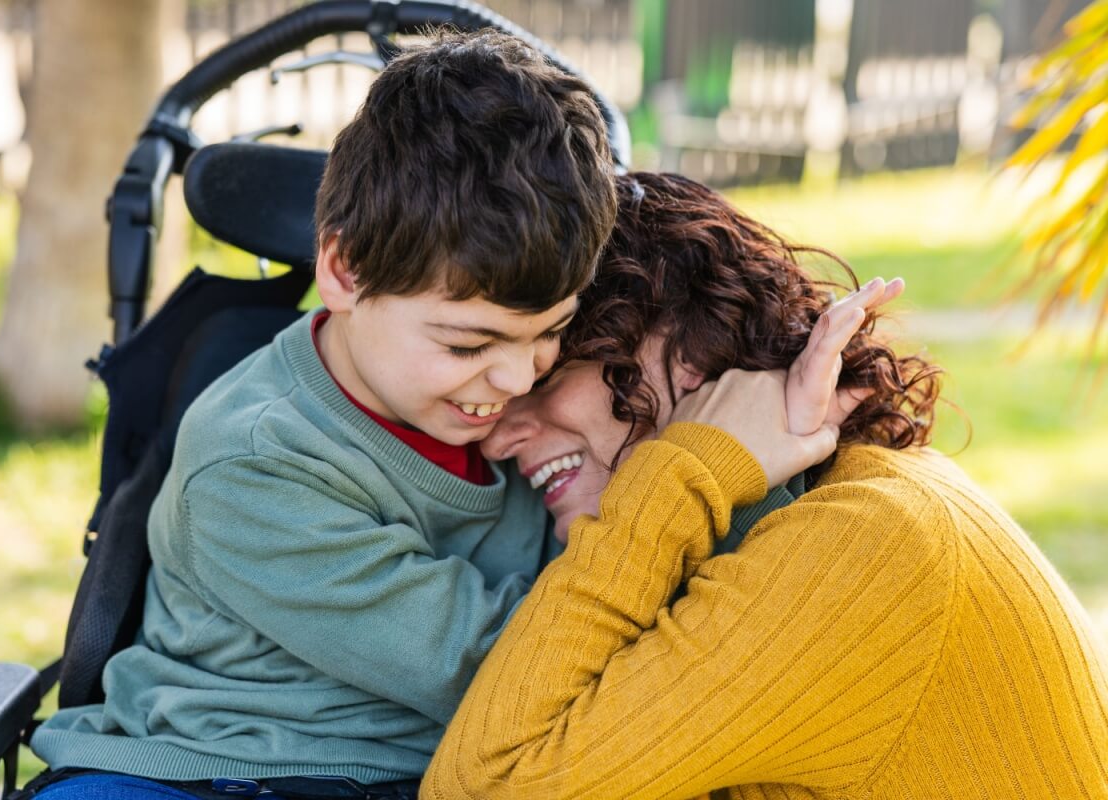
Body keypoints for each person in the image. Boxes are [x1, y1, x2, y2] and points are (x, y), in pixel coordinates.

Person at [24, 29, 619, 798]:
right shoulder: (251, 463)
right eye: (471, 342)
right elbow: (495, 667)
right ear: (343, 270)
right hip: (223, 770)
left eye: (550, 331)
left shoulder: (553, 408)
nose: (515, 376)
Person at [422, 171, 1108, 799]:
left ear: (682, 346)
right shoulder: (830, 505)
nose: (497, 433)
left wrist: (688, 469)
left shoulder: (857, 549)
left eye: (544, 376)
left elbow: (480, 787)